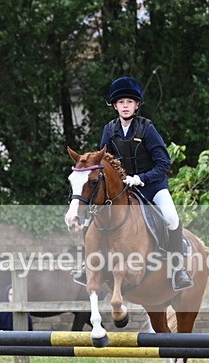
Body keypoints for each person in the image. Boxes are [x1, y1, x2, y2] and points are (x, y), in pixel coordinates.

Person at [73, 75, 193, 291]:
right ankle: (86, 265)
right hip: (122, 189)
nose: (125, 106)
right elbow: (103, 162)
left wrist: (141, 178)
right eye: (121, 102)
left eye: (129, 102)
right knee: (89, 219)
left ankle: (178, 269)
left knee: (172, 218)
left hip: (152, 186)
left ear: (136, 105)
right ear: (115, 106)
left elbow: (163, 163)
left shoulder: (147, 129)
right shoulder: (109, 130)